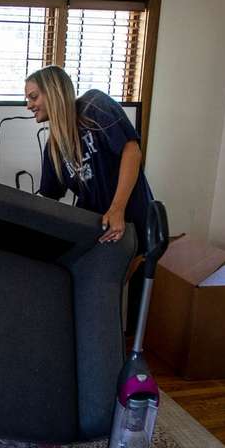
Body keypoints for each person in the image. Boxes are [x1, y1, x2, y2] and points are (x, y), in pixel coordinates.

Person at [25, 65, 154, 318]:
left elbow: (131, 151)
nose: (28, 105)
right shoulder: (53, 147)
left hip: (129, 224)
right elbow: (49, 196)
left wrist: (116, 209)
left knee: (101, 299)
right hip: (98, 231)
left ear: (53, 92)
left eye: (33, 96)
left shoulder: (94, 106)